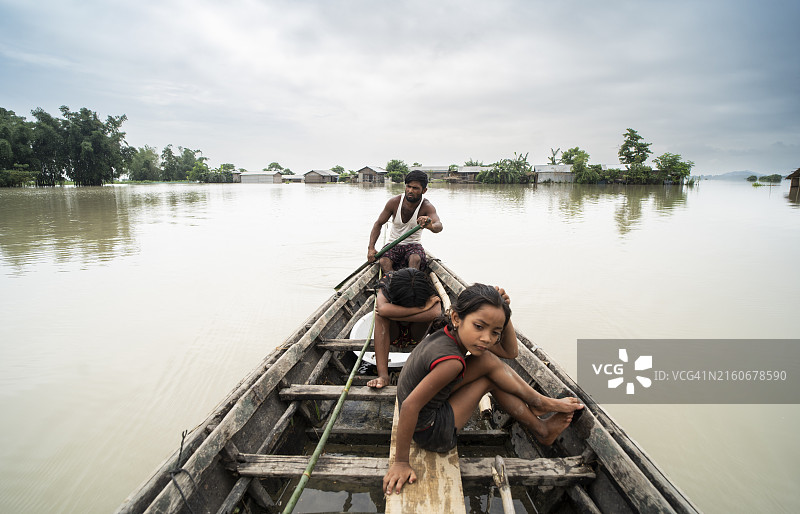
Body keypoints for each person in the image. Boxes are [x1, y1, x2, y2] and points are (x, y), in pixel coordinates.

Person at [383, 284, 584, 495]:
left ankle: (540, 406)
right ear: (456, 318)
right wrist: (401, 462)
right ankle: (541, 415)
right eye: (479, 326)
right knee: (490, 376)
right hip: (431, 433)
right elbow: (409, 406)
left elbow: (509, 351)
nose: (487, 338)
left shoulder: (449, 333)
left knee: (488, 362)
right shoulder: (452, 363)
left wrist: (504, 312)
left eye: (495, 332)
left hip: (427, 412)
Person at [366, 268, 443, 389]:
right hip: (393, 334)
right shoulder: (388, 282)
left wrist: (396, 313)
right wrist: (422, 308)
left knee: (437, 320)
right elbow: (382, 309)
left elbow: (435, 313)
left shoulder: (425, 287)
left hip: (415, 335)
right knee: (380, 316)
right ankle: (383, 376)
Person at [367, 170, 442, 273]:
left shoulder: (426, 206)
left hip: (413, 245)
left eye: (415, 188)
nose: (410, 190)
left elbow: (439, 226)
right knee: (384, 261)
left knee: (415, 260)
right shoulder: (394, 202)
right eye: (408, 186)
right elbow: (378, 224)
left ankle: (410, 280)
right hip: (393, 244)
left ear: (424, 190)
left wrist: (430, 226)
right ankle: (393, 280)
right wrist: (371, 248)